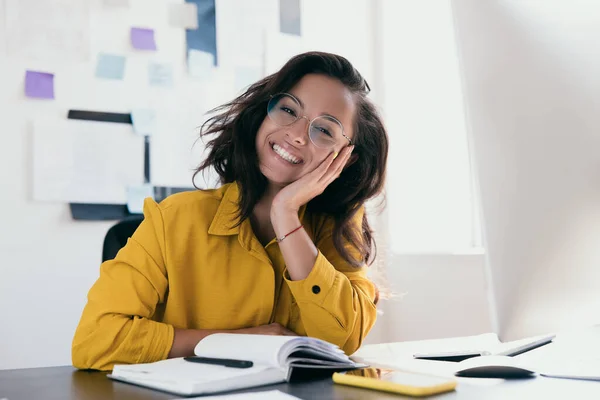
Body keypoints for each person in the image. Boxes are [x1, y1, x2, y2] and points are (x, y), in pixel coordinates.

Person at [72, 51, 389, 371]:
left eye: (324, 130)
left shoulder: (338, 229)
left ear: (345, 158)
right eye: (288, 110)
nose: (295, 134)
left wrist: (286, 214)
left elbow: (341, 338)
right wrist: (238, 341)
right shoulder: (174, 219)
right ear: (263, 113)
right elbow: (95, 341)